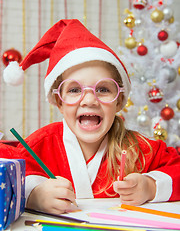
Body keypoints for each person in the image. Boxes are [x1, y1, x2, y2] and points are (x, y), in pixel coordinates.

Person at [3, 19, 180, 215]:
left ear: (119, 101)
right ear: (59, 102)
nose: (89, 100)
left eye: (103, 89)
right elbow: (6, 168)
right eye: (74, 89)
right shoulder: (41, 144)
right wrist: (33, 195)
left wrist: (151, 186)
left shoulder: (140, 150)